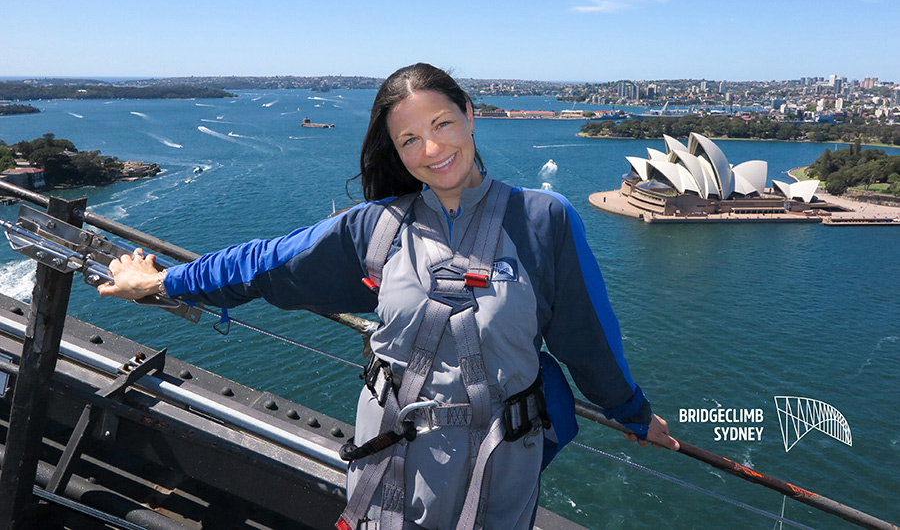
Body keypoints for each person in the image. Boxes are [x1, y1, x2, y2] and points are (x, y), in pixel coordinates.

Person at [98, 62, 678, 530]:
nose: (431, 150)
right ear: (396, 152)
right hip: (393, 452)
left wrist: (631, 413)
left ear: (470, 117)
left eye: (443, 125)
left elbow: (587, 336)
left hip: (501, 461)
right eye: (410, 140)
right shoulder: (376, 229)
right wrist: (160, 282)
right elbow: (268, 264)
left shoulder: (541, 219)